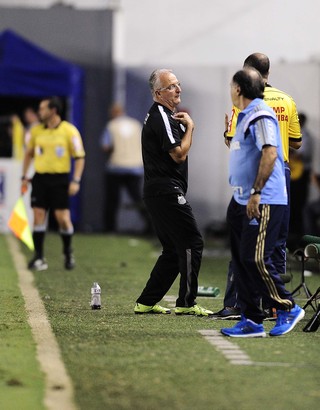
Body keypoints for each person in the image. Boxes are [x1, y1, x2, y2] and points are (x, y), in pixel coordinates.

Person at [213, 53, 302, 320]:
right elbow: (296, 143)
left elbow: (235, 141)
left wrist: (255, 189)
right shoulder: (286, 100)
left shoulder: (246, 107)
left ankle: (239, 305)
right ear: (268, 72)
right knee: (276, 243)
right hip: (280, 175)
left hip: (259, 178)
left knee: (248, 246)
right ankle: (271, 308)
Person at [134, 68, 213, 316]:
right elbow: (178, 154)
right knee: (192, 242)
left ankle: (146, 301)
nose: (177, 90)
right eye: (171, 87)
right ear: (158, 93)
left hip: (158, 191)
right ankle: (186, 303)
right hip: (166, 191)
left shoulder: (163, 115)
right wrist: (191, 127)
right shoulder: (162, 116)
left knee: (172, 250)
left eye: (178, 85)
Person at [21, 96, 85, 271]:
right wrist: (24, 176)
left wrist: (76, 180)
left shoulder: (69, 131)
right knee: (38, 216)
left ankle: (67, 251)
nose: (39, 112)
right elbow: (29, 154)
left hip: (60, 179)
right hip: (40, 178)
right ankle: (39, 258)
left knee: (62, 219)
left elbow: (79, 157)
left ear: (53, 110)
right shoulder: (36, 131)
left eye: (42, 109)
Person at [100, 103, 151, 234]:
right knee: (138, 199)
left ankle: (110, 228)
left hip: (116, 167)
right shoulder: (135, 125)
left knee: (112, 200)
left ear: (113, 113)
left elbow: (105, 146)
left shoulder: (111, 126)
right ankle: (151, 226)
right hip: (135, 167)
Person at [289, 112, 313, 248]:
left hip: (301, 176)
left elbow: (301, 155)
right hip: (294, 174)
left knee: (298, 206)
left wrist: (290, 150)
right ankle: (292, 236)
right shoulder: (294, 133)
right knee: (292, 205)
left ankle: (298, 238)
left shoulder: (306, 136)